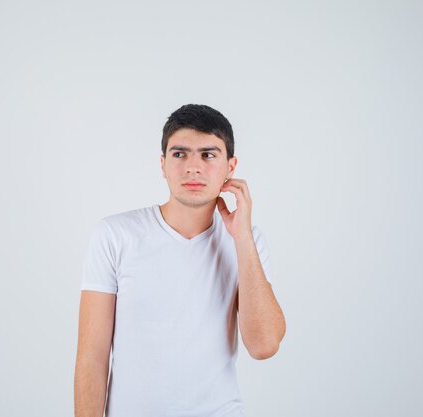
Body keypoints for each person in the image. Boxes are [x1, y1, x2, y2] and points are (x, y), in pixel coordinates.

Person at [74, 104, 286, 417]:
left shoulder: (247, 242)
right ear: (162, 164)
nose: (193, 167)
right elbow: (92, 355)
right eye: (179, 154)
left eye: (208, 154)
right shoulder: (116, 234)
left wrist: (242, 238)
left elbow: (264, 345)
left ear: (231, 166)